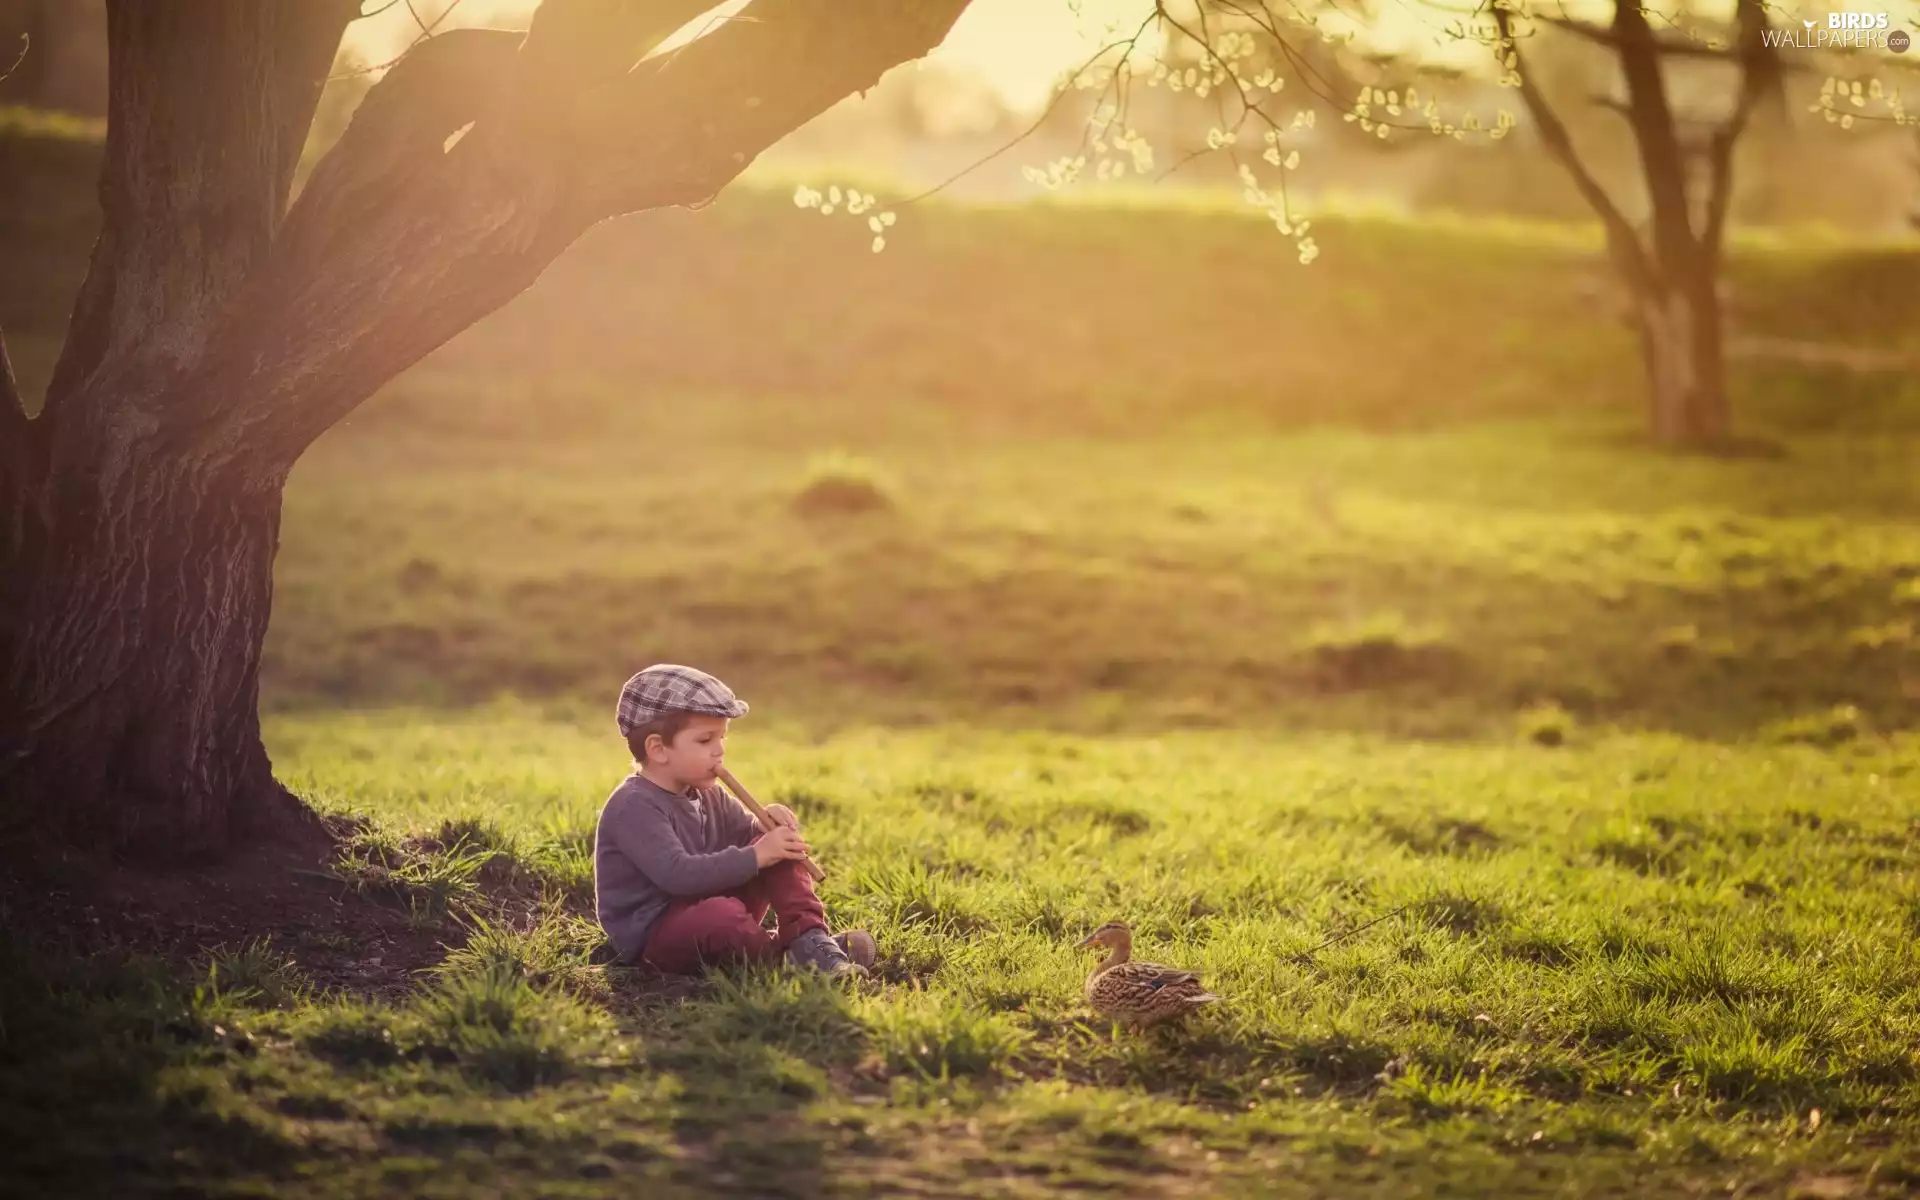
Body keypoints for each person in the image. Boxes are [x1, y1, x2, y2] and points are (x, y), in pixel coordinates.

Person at [593, 663, 874, 977]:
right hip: (655, 936)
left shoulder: (707, 792)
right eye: (705, 740)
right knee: (720, 914)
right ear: (658, 749)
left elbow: (747, 837)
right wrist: (758, 854)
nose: (719, 751)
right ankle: (781, 962)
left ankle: (810, 940)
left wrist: (767, 827)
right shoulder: (633, 806)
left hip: (709, 902)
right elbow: (678, 875)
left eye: (722, 738)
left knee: (779, 850)